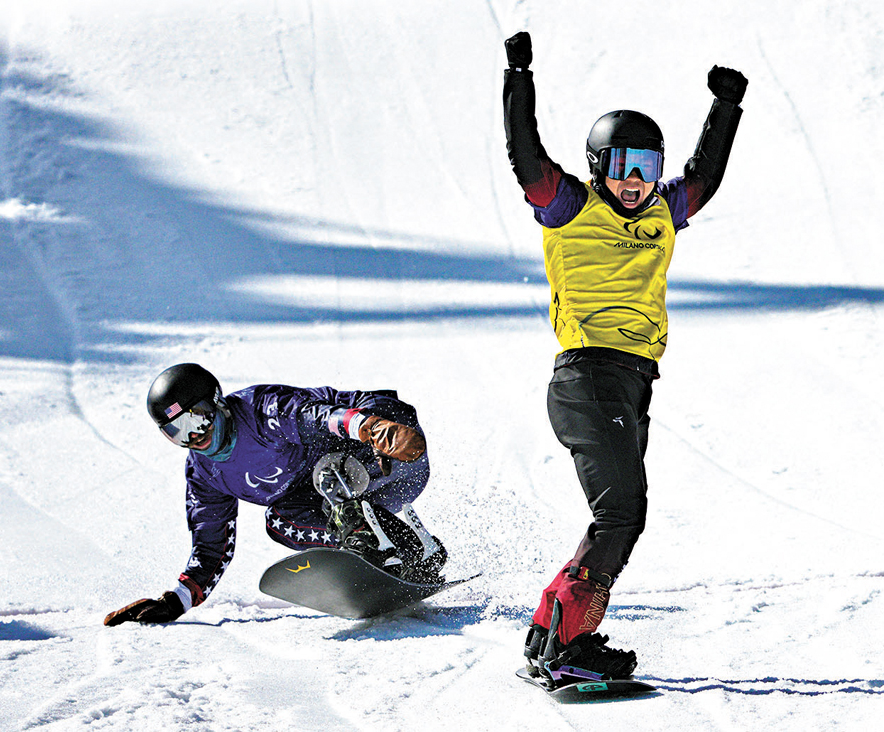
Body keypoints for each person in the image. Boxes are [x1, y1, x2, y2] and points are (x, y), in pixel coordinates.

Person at [503, 31, 747, 683]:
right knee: (620, 515)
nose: (635, 180)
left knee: (617, 517)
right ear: (597, 166)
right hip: (586, 376)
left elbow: (703, 177)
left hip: (632, 382)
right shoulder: (569, 206)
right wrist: (518, 75)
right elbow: (526, 160)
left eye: (646, 165)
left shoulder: (662, 212)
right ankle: (566, 648)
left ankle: (548, 633)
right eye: (622, 165)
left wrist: (725, 109)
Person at [104, 363, 447, 626]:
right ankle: (408, 554)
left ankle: (375, 546)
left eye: (198, 420)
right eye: (177, 432)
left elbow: (316, 417)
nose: (194, 437)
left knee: (326, 474)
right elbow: (211, 545)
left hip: (386, 443)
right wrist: (177, 600)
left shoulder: (259, 411)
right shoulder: (205, 473)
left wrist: (371, 428)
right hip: (351, 494)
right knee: (281, 521)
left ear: (217, 403)